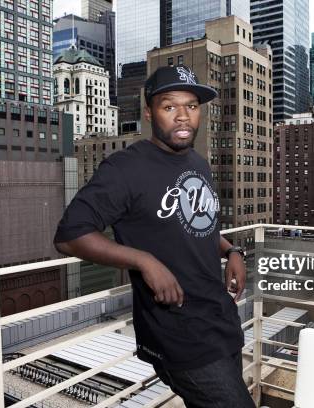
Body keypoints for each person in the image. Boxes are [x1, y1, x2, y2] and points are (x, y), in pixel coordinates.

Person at [53, 65, 255, 407]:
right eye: (169, 106)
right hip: (178, 333)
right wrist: (143, 260)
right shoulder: (124, 169)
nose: (182, 117)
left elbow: (197, 223)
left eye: (191, 106)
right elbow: (69, 236)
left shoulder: (199, 163)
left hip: (221, 322)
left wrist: (231, 250)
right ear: (149, 112)